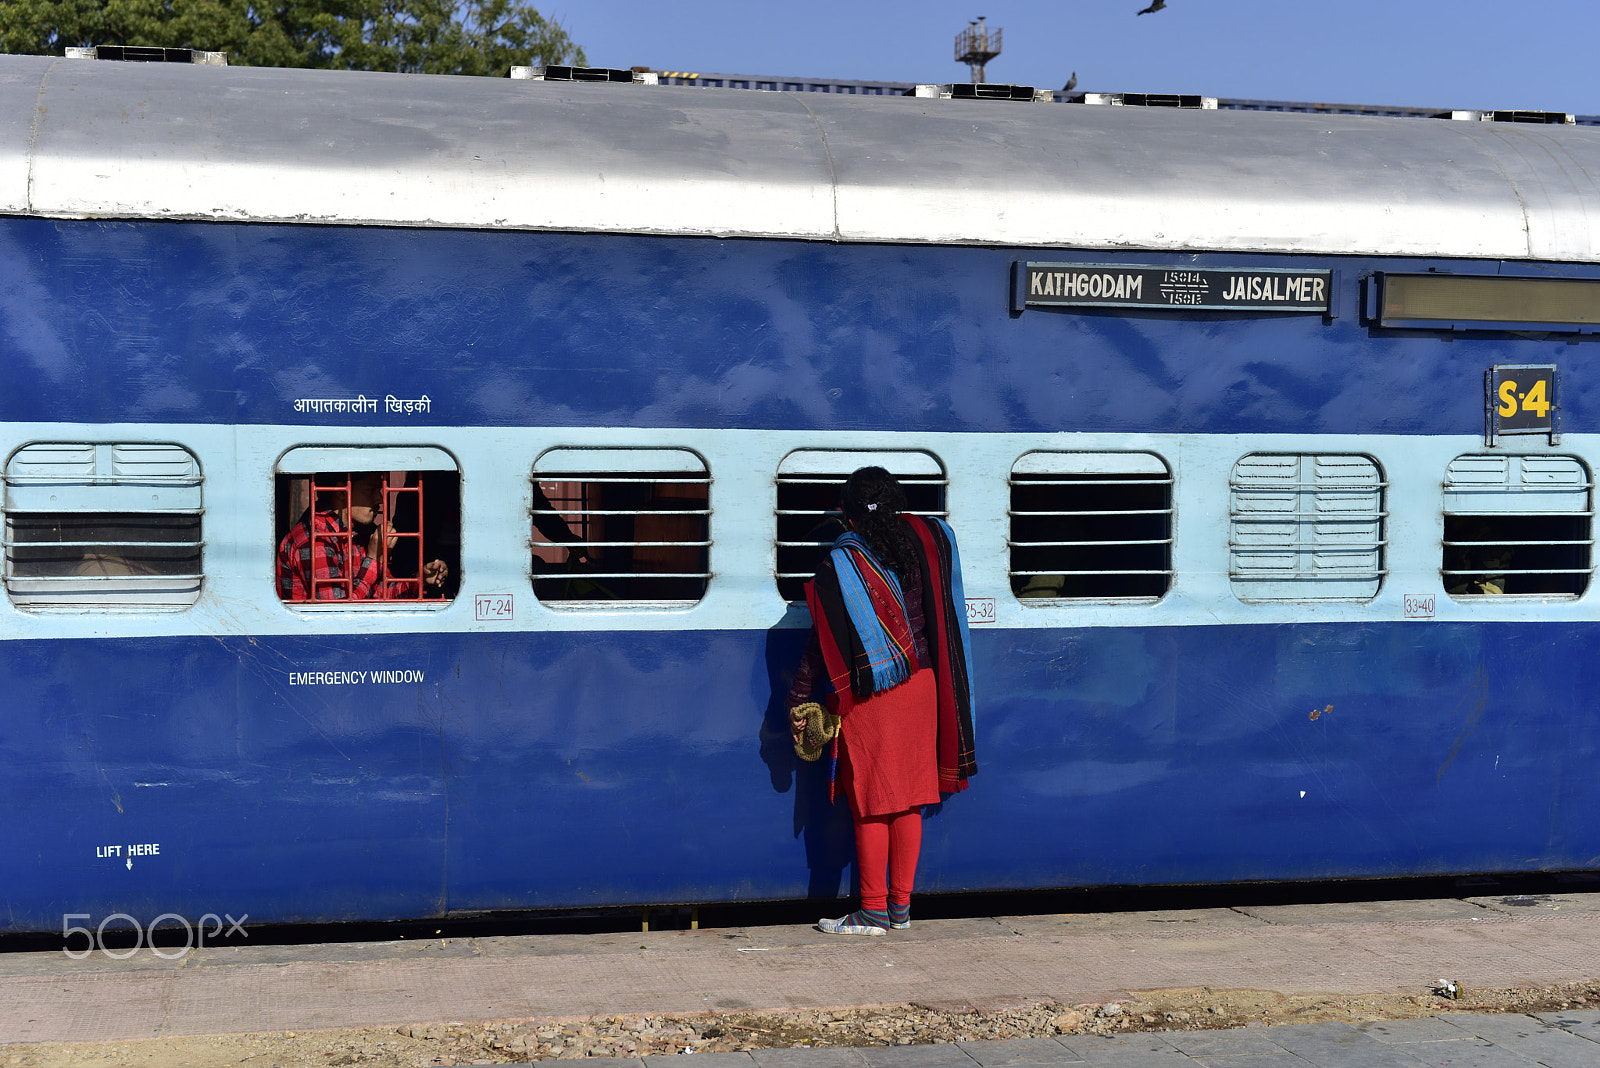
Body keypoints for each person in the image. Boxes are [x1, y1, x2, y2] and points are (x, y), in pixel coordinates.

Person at [787, 467, 976, 935]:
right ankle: (900, 909)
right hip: (924, 686)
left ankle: (870, 910)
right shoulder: (925, 545)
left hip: (875, 692)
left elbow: (824, 641)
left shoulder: (843, 564)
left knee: (871, 801)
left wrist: (797, 696)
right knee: (908, 799)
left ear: (848, 515)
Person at [277, 472, 449, 601]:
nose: (380, 499)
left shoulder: (356, 534)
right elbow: (337, 613)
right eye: (371, 489)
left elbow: (378, 594)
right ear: (341, 493)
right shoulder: (313, 538)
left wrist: (420, 581)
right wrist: (375, 559)